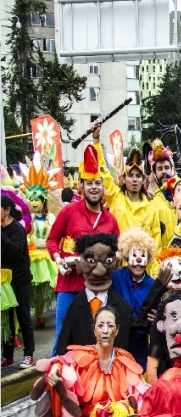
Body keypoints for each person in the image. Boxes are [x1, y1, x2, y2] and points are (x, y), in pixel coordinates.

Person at [32, 305, 153, 417]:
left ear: (117, 330)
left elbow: (141, 395)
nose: (105, 330)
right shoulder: (82, 355)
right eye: (100, 325)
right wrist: (55, 370)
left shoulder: (126, 359)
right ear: (94, 329)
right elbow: (62, 362)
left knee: (116, 412)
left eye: (110, 326)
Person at [47, 145, 120, 355]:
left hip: (100, 289)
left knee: (94, 338)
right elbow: (52, 239)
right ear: (82, 186)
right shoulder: (69, 212)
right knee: (63, 338)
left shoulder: (111, 220)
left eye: (98, 183)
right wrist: (58, 259)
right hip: (69, 286)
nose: (94, 187)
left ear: (103, 187)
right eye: (90, 183)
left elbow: (117, 253)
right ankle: (56, 385)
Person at [56, 233, 132, 356]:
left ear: (116, 264)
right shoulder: (74, 307)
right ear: (79, 265)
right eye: (91, 261)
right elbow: (63, 348)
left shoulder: (122, 307)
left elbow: (127, 349)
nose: (99, 271)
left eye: (107, 261)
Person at [112, 227, 170, 368]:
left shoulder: (152, 285)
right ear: (126, 256)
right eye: (134, 255)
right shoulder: (117, 276)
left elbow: (153, 316)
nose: (138, 261)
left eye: (142, 256)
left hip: (140, 346)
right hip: (119, 342)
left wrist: (156, 317)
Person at [17, 157, 60, 329]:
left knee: (45, 289)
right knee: (31, 290)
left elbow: (55, 235)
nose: (34, 202)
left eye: (37, 199)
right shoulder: (26, 220)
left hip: (46, 257)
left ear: (44, 200)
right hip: (31, 256)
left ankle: (42, 314)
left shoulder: (51, 218)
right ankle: (24, 316)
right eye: (31, 199)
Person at [1, 194, 34, 368]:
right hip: (4, 282)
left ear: (6, 210)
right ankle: (7, 356)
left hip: (20, 280)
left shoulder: (17, 229)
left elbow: (14, 251)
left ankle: (29, 354)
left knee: (23, 317)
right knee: (6, 319)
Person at [147, 139, 178, 250]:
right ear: (154, 174)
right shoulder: (150, 200)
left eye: (166, 168)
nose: (164, 172)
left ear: (172, 169)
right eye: (159, 169)